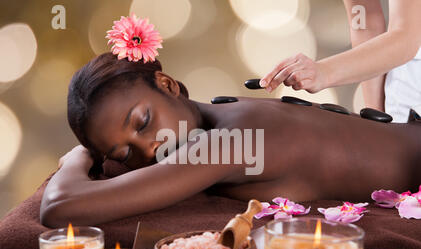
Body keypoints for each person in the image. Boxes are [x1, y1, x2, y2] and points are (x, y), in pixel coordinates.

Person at [40, 52, 421, 228]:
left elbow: (59, 206)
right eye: (122, 153)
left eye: (142, 123)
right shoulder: (226, 111)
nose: (148, 149)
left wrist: (78, 156)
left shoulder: (229, 142)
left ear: (167, 85)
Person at [259, 0, 421, 123]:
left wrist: (324, 72)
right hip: (404, 106)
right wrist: (378, 119)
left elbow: (407, 37)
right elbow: (366, 22)